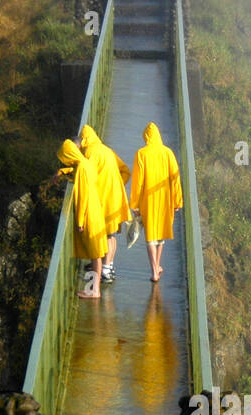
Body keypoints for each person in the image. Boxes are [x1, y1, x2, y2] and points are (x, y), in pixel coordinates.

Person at [128, 122, 183, 282]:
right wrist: (177, 201)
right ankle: (157, 266)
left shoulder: (141, 154)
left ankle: (153, 270)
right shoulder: (168, 153)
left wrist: (135, 204)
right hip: (165, 199)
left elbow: (138, 182)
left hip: (148, 200)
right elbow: (175, 178)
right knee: (161, 236)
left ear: (146, 137)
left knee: (151, 236)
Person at [79, 124, 132, 284]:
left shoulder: (89, 153)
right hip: (115, 198)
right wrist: (117, 184)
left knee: (104, 235)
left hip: (103, 199)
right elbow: (126, 171)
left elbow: (86, 178)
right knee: (111, 233)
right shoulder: (107, 150)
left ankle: (105, 270)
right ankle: (108, 266)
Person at [56, 138, 106, 298]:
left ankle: (95, 290)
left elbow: (82, 195)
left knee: (95, 254)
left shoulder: (83, 167)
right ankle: (92, 289)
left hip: (89, 214)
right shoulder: (85, 163)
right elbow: (76, 174)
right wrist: (62, 171)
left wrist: (79, 221)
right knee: (95, 253)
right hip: (95, 210)